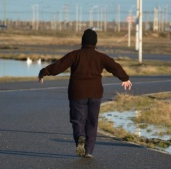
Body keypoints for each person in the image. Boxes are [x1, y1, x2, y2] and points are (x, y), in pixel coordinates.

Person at [38, 29, 132, 158]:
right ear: (95, 42)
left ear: (83, 41)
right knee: (92, 122)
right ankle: (88, 151)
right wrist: (125, 78)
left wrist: (43, 72)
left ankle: (80, 137)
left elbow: (58, 67)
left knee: (78, 120)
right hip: (95, 93)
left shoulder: (74, 55)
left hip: (77, 92)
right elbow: (114, 66)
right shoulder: (101, 56)